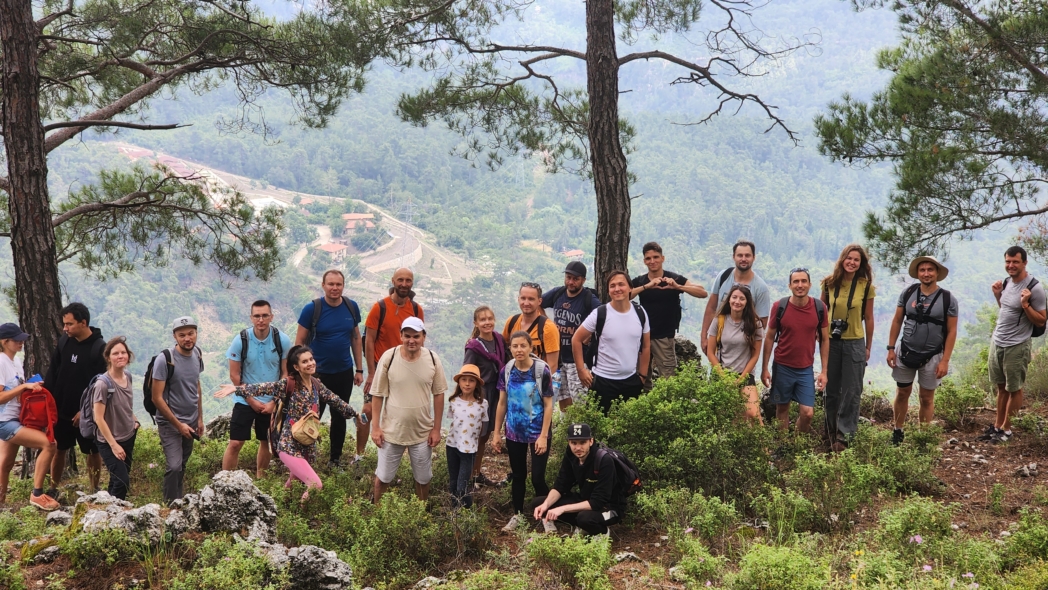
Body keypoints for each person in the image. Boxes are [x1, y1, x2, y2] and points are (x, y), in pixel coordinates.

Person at [216, 345, 360, 502]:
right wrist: (236, 389)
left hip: (307, 445)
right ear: (296, 367)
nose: (310, 363)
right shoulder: (288, 384)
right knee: (315, 485)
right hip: (289, 445)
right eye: (305, 362)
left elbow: (336, 400)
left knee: (293, 484)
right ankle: (303, 518)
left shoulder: (317, 385)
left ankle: (279, 511)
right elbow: (263, 388)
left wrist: (355, 414)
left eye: (311, 359)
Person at [370, 317, 447, 504]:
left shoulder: (432, 359)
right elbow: (378, 394)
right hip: (391, 431)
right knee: (383, 478)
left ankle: (420, 514)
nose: (411, 340)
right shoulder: (389, 357)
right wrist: (376, 428)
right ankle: (376, 512)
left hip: (421, 431)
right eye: (407, 336)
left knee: (423, 479)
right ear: (401, 336)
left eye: (416, 336)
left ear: (423, 337)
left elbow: (438, 394)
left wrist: (436, 428)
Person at [295, 270, 364, 469]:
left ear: (343, 286)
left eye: (338, 284)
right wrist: (299, 371)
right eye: (331, 284)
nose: (335, 288)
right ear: (323, 285)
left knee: (340, 415)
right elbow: (299, 341)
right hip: (316, 374)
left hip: (343, 371)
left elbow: (355, 337)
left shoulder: (351, 307)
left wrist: (359, 369)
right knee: (311, 416)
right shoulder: (312, 309)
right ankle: (305, 460)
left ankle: (335, 460)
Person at [886, 256, 958, 445]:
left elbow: (951, 331)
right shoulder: (908, 293)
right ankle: (898, 431)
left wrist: (945, 360)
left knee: (926, 397)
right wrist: (891, 348)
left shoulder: (947, 299)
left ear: (937, 273)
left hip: (933, 355)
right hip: (906, 351)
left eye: (930, 270)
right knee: (902, 392)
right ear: (918, 273)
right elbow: (897, 320)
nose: (926, 273)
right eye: (922, 270)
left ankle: (922, 437)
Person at [981, 246, 1047, 443]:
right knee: (1001, 387)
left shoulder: (1034, 288)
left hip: (1017, 345)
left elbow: (1041, 320)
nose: (1011, 265)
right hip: (998, 341)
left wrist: (1026, 304)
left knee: (1015, 388)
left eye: (1015, 262)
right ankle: (997, 426)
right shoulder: (1008, 282)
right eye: (1008, 262)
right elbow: (1008, 310)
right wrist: (997, 295)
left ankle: (1007, 430)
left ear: (1024, 263)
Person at [494, 331, 555, 533]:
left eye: (523, 346)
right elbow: (502, 403)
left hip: (539, 431)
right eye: (515, 346)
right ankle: (518, 515)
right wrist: (496, 433)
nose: (519, 350)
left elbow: (548, 405)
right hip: (514, 433)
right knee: (518, 475)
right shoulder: (507, 370)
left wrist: (544, 436)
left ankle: (547, 516)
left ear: (531, 348)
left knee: (538, 477)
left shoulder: (541, 370)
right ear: (510, 348)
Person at [223, 300, 291, 478]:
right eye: (257, 316)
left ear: (271, 317)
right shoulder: (241, 340)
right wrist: (251, 400)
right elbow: (234, 376)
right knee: (235, 442)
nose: (261, 320)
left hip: (271, 400)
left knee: (266, 441)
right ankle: (225, 481)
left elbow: (285, 373)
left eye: (264, 316)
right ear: (251, 318)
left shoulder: (281, 340)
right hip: (244, 399)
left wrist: (273, 402)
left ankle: (261, 479)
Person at [44, 302, 106, 492]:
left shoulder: (99, 348)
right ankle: (53, 488)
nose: (65, 328)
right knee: (58, 449)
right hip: (61, 409)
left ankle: (94, 489)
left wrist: (85, 411)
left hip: (85, 414)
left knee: (92, 451)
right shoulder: (64, 342)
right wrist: (48, 401)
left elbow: (100, 385)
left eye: (69, 324)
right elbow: (53, 372)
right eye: (64, 324)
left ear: (83, 323)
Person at [363, 268, 423, 463]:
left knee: (401, 409)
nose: (404, 284)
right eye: (400, 280)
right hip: (380, 366)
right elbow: (369, 341)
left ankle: (395, 454)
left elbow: (418, 339)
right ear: (393, 281)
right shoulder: (379, 307)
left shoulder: (416, 309)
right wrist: (371, 373)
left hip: (404, 368)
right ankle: (359, 453)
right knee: (368, 410)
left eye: (408, 280)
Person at [820, 244, 876, 450]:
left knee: (852, 391)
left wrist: (868, 345)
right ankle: (829, 431)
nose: (852, 262)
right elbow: (821, 312)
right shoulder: (828, 284)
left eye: (856, 260)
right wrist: (820, 337)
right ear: (842, 259)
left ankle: (844, 437)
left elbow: (869, 318)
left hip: (855, 341)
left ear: (861, 264)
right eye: (849, 258)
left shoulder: (865, 286)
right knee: (831, 389)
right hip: (831, 341)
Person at [761, 269, 830, 435]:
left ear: (810, 284)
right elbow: (769, 337)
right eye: (796, 282)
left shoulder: (819, 308)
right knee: (782, 408)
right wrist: (764, 369)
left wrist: (824, 371)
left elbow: (825, 340)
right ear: (790, 285)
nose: (800, 285)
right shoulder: (780, 307)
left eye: (804, 281)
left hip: (805, 368)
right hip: (782, 366)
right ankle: (783, 447)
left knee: (807, 413)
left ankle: (796, 446)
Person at [0, 323, 60, 510]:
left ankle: (1, 504)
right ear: (4, 341)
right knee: (49, 444)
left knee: (6, 463)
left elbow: (16, 389)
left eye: (22, 339)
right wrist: (24, 387)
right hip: (5, 421)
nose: (21, 342)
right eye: (17, 340)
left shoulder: (15, 361)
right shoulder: (1, 361)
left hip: (16, 418)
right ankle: (36, 494)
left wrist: (30, 384)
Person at [574, 270, 651, 413]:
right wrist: (581, 370)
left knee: (630, 429)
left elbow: (646, 346)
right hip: (602, 381)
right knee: (597, 429)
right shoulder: (600, 313)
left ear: (630, 288)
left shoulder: (640, 313)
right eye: (612, 285)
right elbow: (576, 339)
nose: (617, 289)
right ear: (608, 291)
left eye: (621, 284)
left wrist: (642, 376)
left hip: (631, 380)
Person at [529, 423, 625, 536]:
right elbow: (560, 485)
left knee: (585, 518)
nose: (578, 448)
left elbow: (597, 502)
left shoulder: (604, 460)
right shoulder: (571, 455)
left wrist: (562, 509)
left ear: (591, 441)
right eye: (574, 443)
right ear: (569, 442)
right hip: (584, 500)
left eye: (582, 442)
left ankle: (602, 531)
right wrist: (546, 505)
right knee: (538, 504)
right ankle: (580, 525)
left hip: (609, 508)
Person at [630, 241, 707, 379]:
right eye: (648, 258)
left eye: (656, 257)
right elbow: (624, 296)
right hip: (643, 336)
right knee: (640, 378)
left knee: (668, 378)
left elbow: (702, 292)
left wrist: (678, 287)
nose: (652, 261)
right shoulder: (640, 281)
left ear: (662, 258)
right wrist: (647, 286)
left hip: (664, 337)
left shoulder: (674, 278)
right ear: (644, 261)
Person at [151, 316, 204, 503]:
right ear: (175, 336)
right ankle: (169, 505)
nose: (187, 338)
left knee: (182, 464)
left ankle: (178, 501)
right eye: (182, 335)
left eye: (191, 333)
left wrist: (199, 419)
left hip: (191, 420)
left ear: (196, 333)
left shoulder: (197, 354)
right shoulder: (165, 359)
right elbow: (156, 397)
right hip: (170, 423)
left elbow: (196, 386)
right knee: (174, 465)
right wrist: (178, 424)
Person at [542, 261, 601, 410]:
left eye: (576, 279)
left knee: (580, 401)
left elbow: (603, 316)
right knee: (563, 399)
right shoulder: (558, 293)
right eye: (568, 277)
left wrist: (591, 333)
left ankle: (582, 431)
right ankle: (566, 430)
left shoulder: (588, 298)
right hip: (558, 359)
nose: (571, 282)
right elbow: (537, 302)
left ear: (583, 280)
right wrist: (547, 326)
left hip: (578, 360)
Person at [705, 284, 766, 423]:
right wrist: (724, 377)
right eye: (734, 297)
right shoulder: (719, 321)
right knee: (731, 418)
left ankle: (765, 446)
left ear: (747, 302)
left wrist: (741, 379)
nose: (737, 301)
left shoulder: (755, 324)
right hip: (723, 373)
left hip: (745, 374)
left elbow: (755, 355)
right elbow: (710, 353)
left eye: (742, 299)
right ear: (729, 300)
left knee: (753, 415)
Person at [463, 305, 509, 486]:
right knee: (476, 433)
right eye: (482, 320)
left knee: (485, 433)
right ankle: (467, 475)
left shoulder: (498, 339)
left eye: (490, 318)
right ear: (476, 323)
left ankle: (476, 472)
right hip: (481, 393)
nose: (487, 322)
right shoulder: (473, 347)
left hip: (498, 390)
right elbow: (467, 371)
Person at [701, 240, 772, 358]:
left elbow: (762, 322)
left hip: (743, 350)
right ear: (733, 257)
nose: (743, 259)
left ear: (754, 258)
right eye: (740, 255)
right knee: (717, 373)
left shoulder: (760, 288)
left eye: (747, 255)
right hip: (719, 342)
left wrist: (742, 340)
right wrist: (704, 337)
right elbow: (712, 308)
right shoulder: (723, 277)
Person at [91, 337, 140, 500]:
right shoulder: (103, 384)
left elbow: (124, 404)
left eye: (123, 352)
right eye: (116, 353)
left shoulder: (128, 376)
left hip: (128, 435)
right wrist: (114, 445)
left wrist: (134, 419)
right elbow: (98, 418)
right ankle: (115, 514)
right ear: (108, 357)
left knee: (117, 478)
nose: (120, 356)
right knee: (122, 481)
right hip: (109, 440)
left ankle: (108, 508)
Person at [445, 364, 488, 508]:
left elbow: (482, 425)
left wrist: (474, 441)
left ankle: (466, 512)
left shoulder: (482, 404)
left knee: (462, 486)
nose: (467, 383)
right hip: (452, 445)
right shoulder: (453, 401)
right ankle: (455, 513)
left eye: (471, 380)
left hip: (469, 449)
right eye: (464, 380)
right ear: (459, 382)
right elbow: (453, 422)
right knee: (453, 482)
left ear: (477, 384)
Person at [504, 282, 560, 373]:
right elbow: (504, 348)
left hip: (538, 379)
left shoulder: (548, 328)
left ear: (539, 301)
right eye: (523, 298)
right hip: (514, 379)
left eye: (531, 299)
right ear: (518, 299)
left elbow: (552, 366)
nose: (526, 303)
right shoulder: (511, 322)